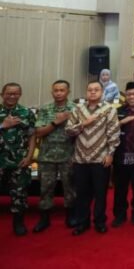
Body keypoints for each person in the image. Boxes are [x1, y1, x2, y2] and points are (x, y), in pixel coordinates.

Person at [65, 81, 120, 235]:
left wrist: (110, 154)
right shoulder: (77, 109)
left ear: (102, 92)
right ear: (86, 92)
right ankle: (83, 222)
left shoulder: (109, 109)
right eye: (90, 90)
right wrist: (83, 123)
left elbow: (114, 133)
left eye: (96, 89)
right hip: (80, 159)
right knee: (82, 193)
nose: (93, 92)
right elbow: (68, 131)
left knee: (100, 194)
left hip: (100, 158)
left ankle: (100, 222)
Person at [32, 79, 77, 232]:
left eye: (62, 90)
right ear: (52, 92)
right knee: (45, 188)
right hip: (47, 156)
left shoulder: (76, 109)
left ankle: (71, 216)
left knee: (70, 187)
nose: (58, 93)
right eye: (56, 90)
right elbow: (38, 132)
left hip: (69, 155)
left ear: (68, 92)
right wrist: (56, 122)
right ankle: (44, 219)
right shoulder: (45, 109)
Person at [0, 82, 36, 236]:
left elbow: (32, 136)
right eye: (9, 93)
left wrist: (29, 156)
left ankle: (18, 223)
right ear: (2, 94)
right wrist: (3, 125)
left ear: (20, 95)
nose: (12, 96)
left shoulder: (26, 113)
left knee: (19, 193)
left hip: (19, 161)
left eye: (15, 93)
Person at [112, 83, 134, 228]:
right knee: (120, 189)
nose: (132, 97)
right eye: (129, 94)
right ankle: (120, 214)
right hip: (121, 155)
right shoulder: (118, 111)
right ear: (125, 96)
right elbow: (109, 130)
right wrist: (121, 122)